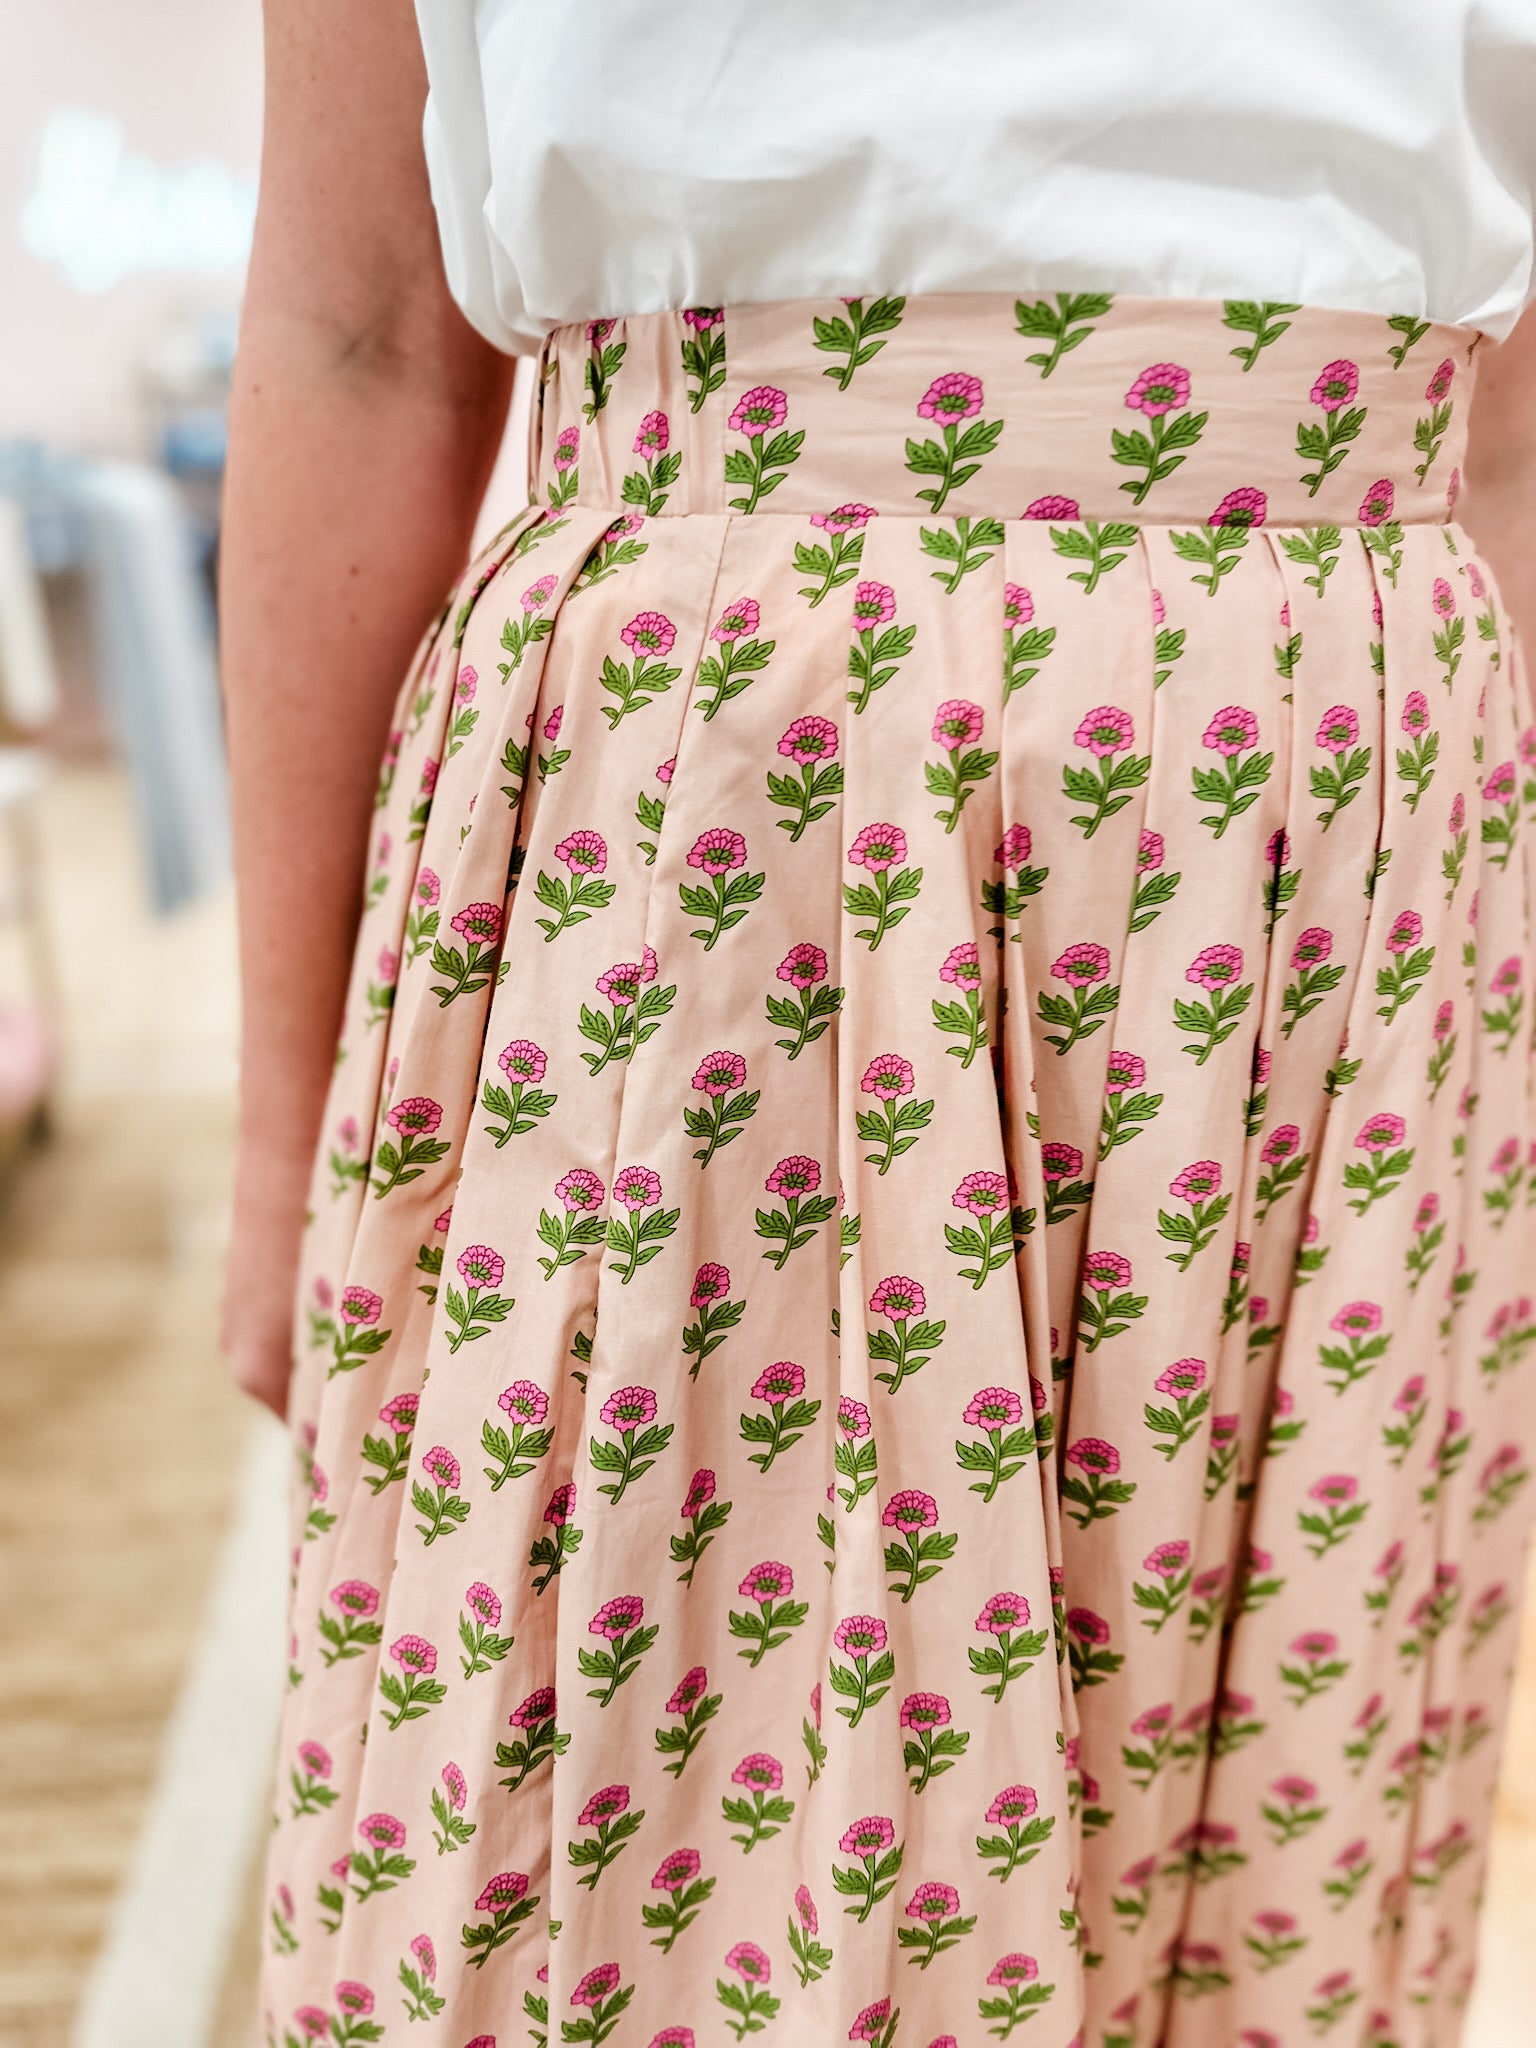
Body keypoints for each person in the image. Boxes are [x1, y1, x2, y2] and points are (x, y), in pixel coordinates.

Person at [220, 3, 1536, 2041]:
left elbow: (1510, 426)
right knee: (653, 1829)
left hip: (1353, 857)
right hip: (723, 817)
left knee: (1248, 1844)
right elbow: (364, 328)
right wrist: (282, 1137)